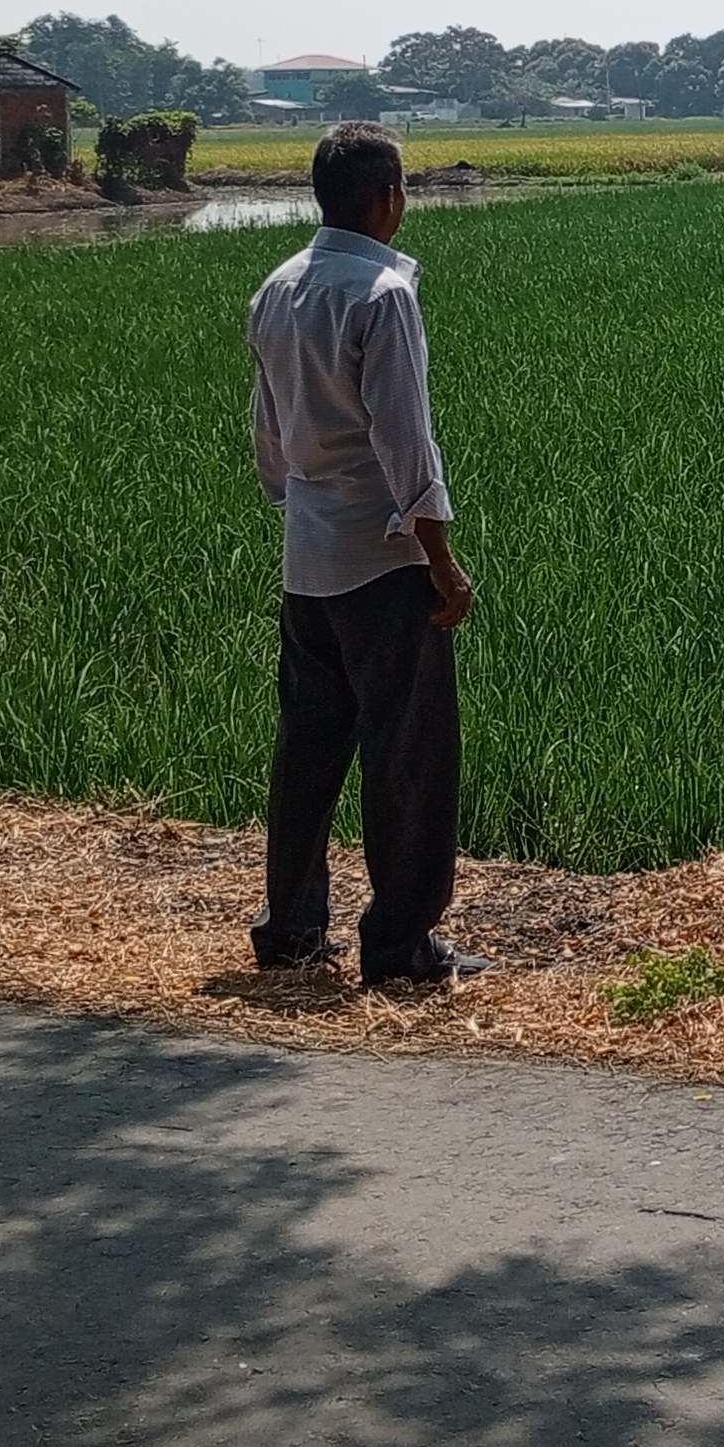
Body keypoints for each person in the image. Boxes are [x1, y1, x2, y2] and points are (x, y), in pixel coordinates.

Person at [247, 119, 488, 986]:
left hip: (308, 558)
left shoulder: (276, 287)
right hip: (382, 560)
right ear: (390, 197)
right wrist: (440, 559)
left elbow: (268, 431)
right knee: (407, 755)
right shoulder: (383, 294)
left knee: (308, 746)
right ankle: (400, 945)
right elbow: (405, 441)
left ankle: (291, 928)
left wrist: (302, 507)